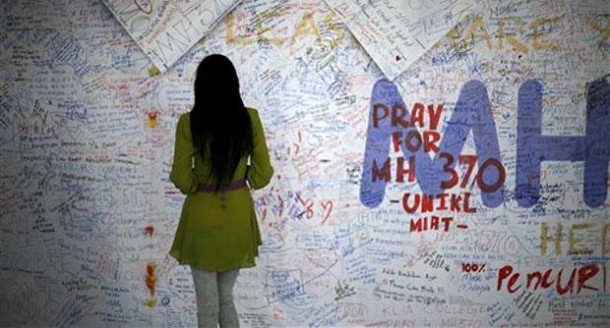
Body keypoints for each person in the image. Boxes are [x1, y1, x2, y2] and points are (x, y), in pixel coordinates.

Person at [169, 54, 273, 328]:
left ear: (200, 86)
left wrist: (197, 185)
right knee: (226, 298)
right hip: (237, 216)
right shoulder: (250, 119)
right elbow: (264, 174)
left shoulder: (188, 123)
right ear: (234, 84)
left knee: (207, 307)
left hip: (202, 217)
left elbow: (180, 176)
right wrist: (243, 178)